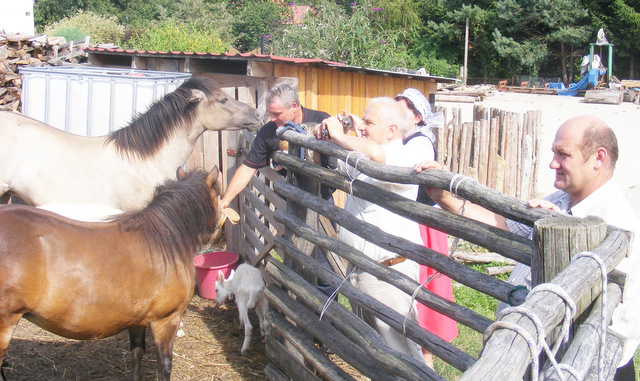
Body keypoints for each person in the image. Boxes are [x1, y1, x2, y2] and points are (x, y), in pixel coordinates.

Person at [415, 115, 640, 379]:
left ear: (598, 158)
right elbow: (502, 224)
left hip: (583, 365)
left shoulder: (615, 222)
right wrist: (444, 196)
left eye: (563, 154)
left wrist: (562, 230)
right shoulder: (562, 199)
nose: (552, 163)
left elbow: (586, 303)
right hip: (542, 353)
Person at [313, 97, 432, 363]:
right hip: (363, 272)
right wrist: (325, 139)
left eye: (369, 122)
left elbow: (377, 155)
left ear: (391, 130)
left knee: (400, 355)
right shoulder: (366, 158)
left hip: (388, 273)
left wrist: (340, 134)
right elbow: (330, 163)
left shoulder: (404, 154)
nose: (362, 127)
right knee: (375, 352)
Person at [395, 88, 458, 368]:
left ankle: (425, 361)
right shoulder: (405, 140)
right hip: (412, 222)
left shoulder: (419, 143)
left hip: (423, 226)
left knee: (423, 292)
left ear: (418, 117)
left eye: (401, 112)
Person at [219, 82, 331, 209]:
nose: (272, 119)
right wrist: (225, 200)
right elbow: (248, 167)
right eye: (270, 113)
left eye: (277, 114)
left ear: (294, 106)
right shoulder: (269, 131)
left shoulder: (322, 120)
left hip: (322, 201)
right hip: (287, 202)